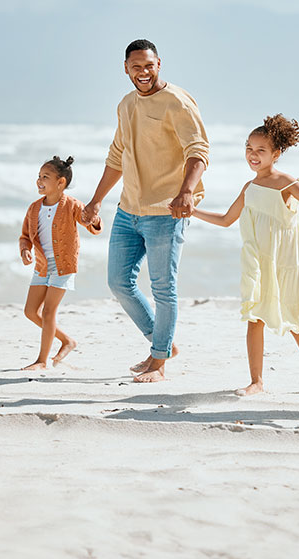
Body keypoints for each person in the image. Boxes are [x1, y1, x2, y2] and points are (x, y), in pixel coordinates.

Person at [192, 115, 299, 395]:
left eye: (260, 150)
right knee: (255, 317)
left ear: (276, 154)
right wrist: (191, 211)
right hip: (258, 261)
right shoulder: (249, 187)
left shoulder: (286, 183)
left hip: (286, 260)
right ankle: (256, 382)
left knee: (294, 316)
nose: (253, 155)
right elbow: (226, 219)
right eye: (249, 148)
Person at [81, 39, 211, 383]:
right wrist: (95, 201)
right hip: (128, 210)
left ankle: (159, 363)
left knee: (163, 289)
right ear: (125, 68)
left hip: (166, 212)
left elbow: (198, 152)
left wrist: (186, 192)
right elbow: (116, 156)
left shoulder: (177, 102)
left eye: (149, 65)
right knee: (118, 282)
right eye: (136, 66)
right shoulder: (125, 105)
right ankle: (162, 343)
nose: (143, 72)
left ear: (159, 65)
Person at [19, 156, 102, 370]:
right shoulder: (34, 208)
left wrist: (94, 219)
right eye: (38, 176)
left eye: (45, 177)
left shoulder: (72, 205)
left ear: (60, 182)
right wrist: (25, 250)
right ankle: (67, 341)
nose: (39, 180)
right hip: (42, 265)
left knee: (48, 312)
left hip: (63, 265)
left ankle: (41, 361)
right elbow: (25, 236)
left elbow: (89, 223)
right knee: (30, 312)